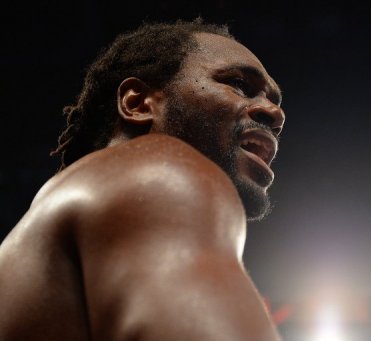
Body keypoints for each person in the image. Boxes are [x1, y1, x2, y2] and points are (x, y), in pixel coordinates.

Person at [0, 20, 285, 340]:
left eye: (275, 100)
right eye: (238, 84)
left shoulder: (37, 234)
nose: (275, 114)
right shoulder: (161, 169)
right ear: (137, 103)